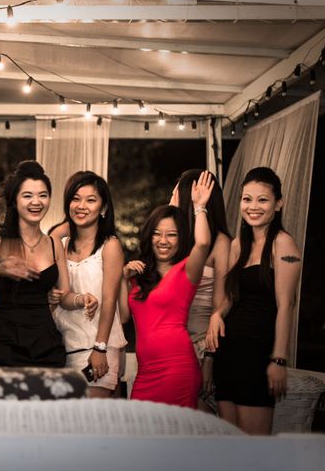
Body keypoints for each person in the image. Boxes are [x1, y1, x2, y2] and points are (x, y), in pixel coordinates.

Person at [210, 167, 300, 435]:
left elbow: (287, 305)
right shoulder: (238, 245)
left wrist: (279, 359)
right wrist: (218, 314)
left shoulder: (283, 244)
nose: (253, 207)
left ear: (278, 203)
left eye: (262, 199)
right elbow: (231, 296)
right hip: (228, 356)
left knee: (256, 449)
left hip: (258, 356)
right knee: (231, 445)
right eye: (247, 199)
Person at [119, 171, 213, 409]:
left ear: (181, 239)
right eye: (157, 234)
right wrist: (123, 279)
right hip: (146, 372)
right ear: (149, 237)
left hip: (178, 369)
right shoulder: (139, 277)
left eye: (172, 235)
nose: (163, 241)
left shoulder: (187, 270)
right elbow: (123, 316)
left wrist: (199, 207)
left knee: (174, 441)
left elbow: (202, 243)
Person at [0, 160, 67, 367]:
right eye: (28, 196)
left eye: (43, 195)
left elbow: (65, 295)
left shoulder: (54, 244)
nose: (36, 202)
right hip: (7, 341)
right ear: (15, 201)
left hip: (47, 340)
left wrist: (65, 298)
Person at [50, 171, 127, 397]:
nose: (81, 205)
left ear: (103, 209)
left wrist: (100, 347)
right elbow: (59, 295)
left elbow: (110, 300)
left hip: (97, 348)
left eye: (90, 200)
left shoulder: (110, 246)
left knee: (93, 424)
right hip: (63, 348)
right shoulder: (61, 246)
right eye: (76, 198)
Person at [169, 169, 231, 408]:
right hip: (170, 342)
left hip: (200, 345)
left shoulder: (220, 242)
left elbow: (220, 302)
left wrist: (209, 360)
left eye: (175, 194)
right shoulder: (173, 238)